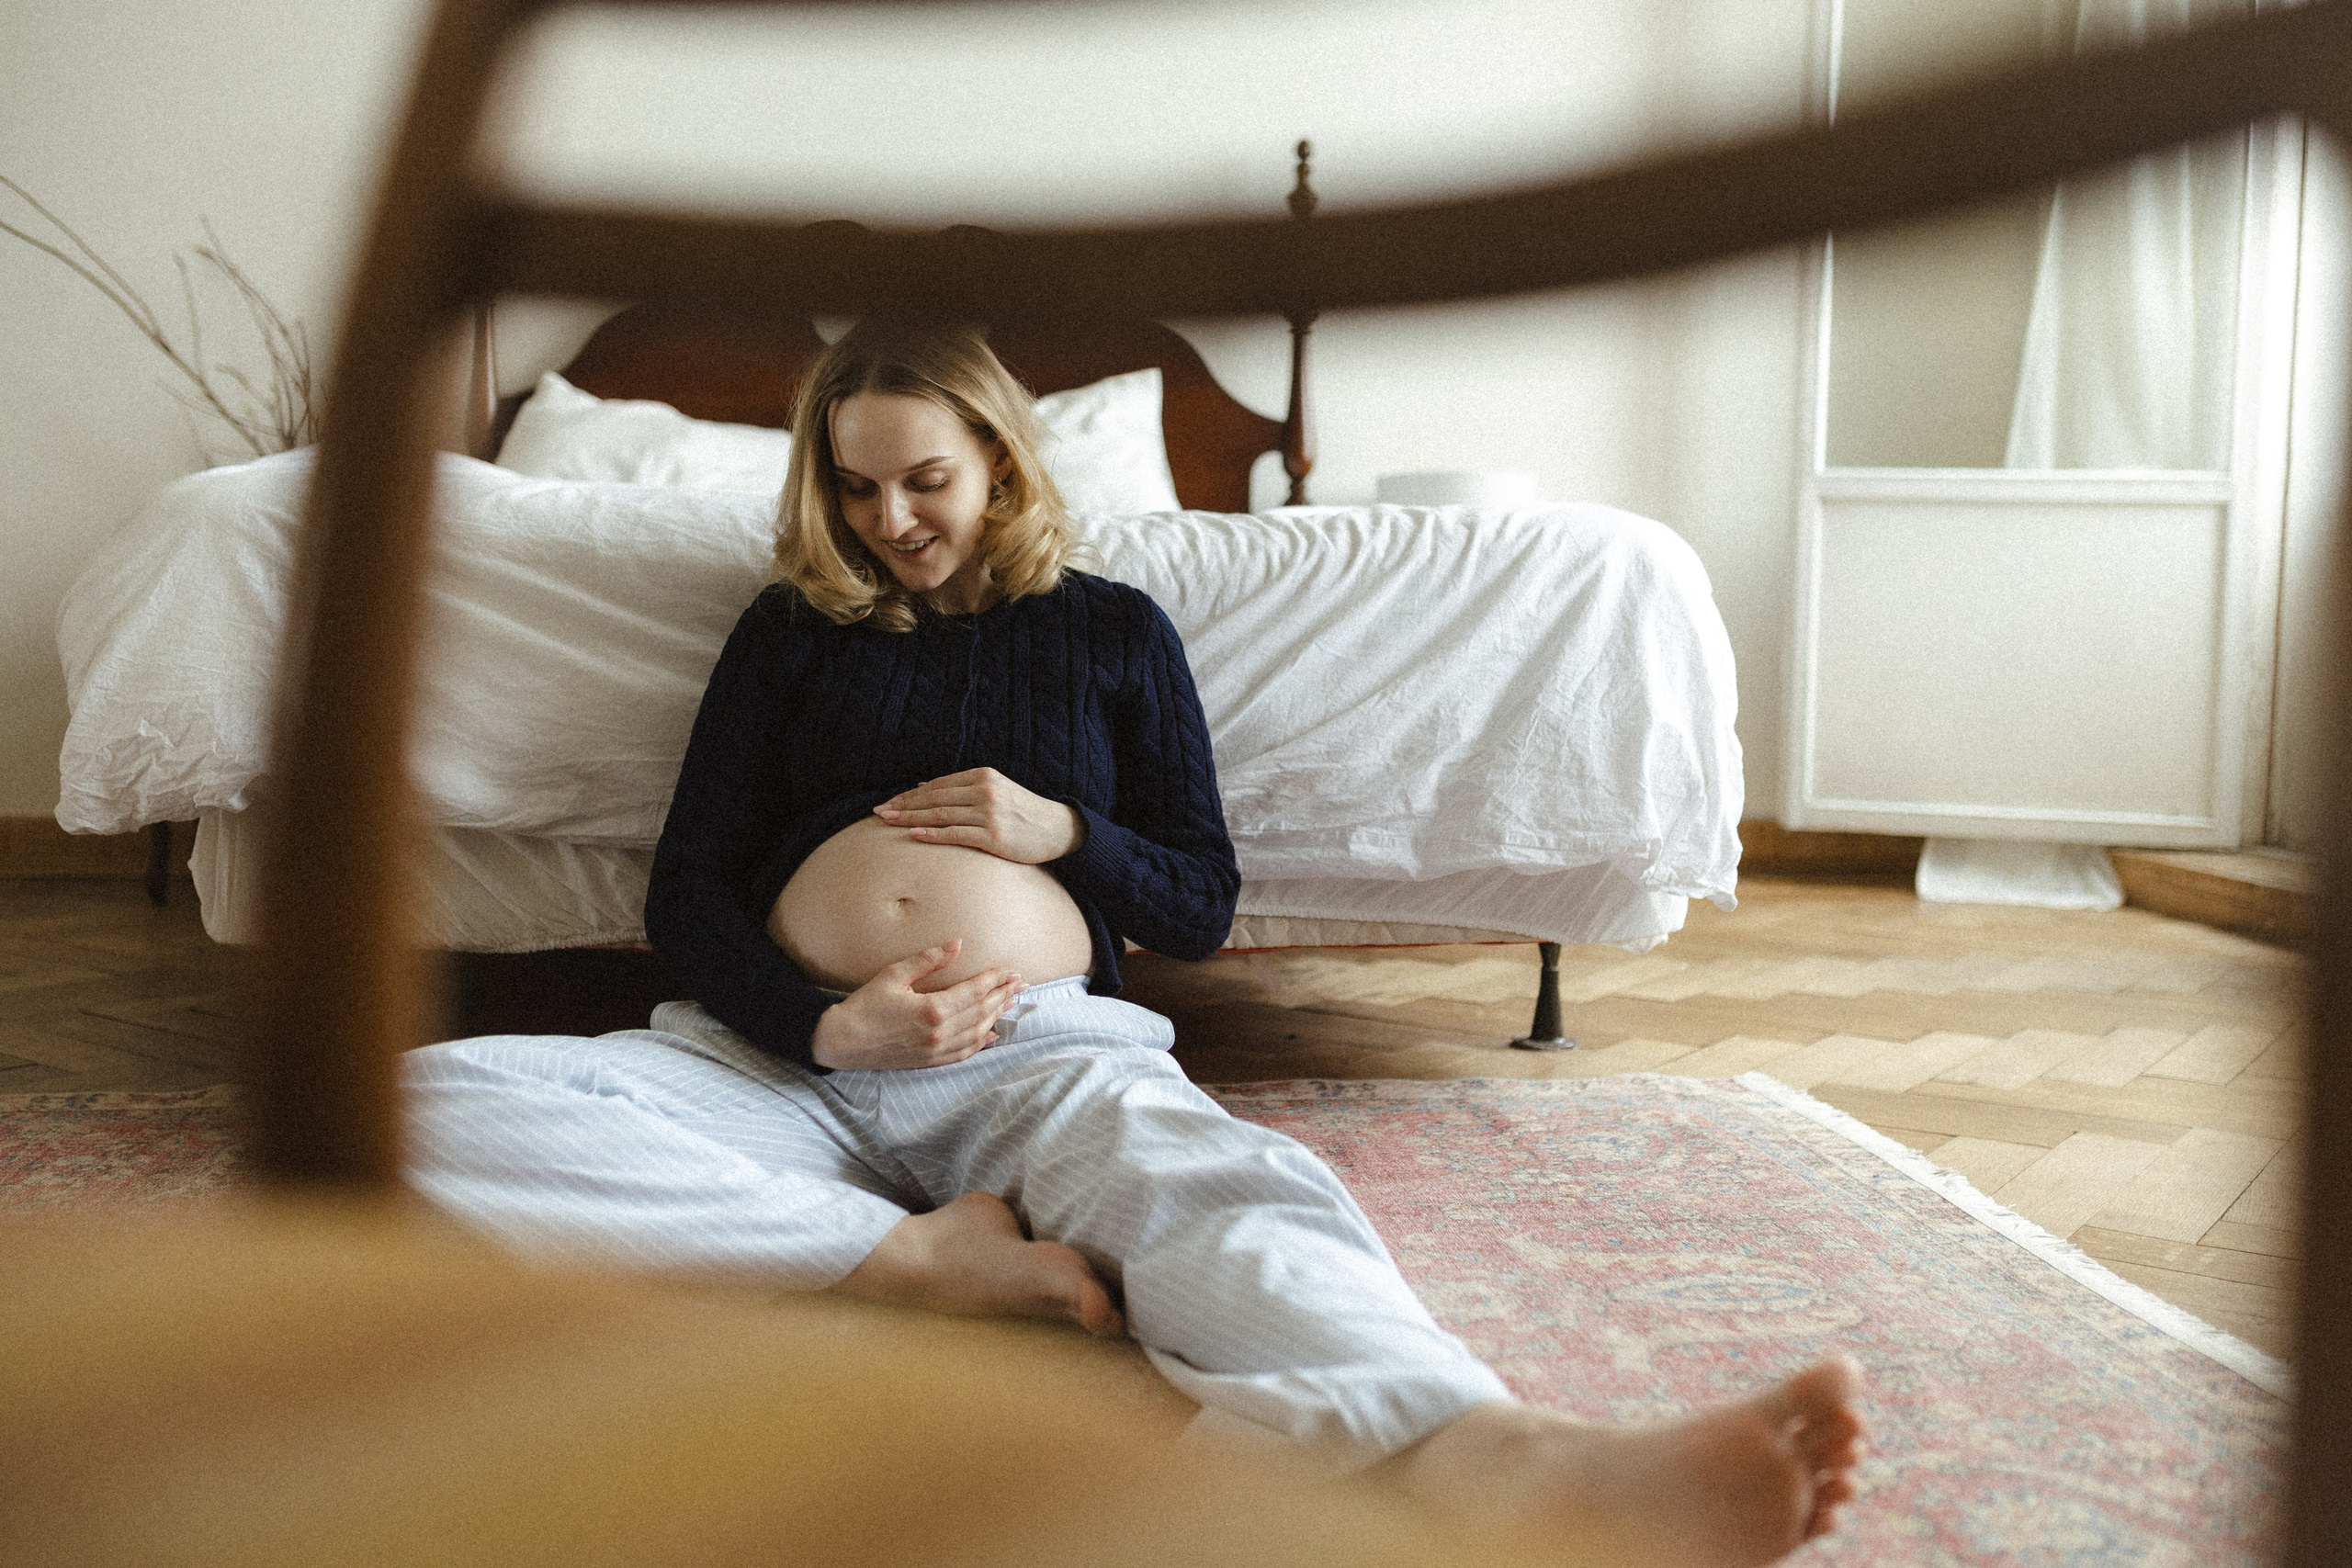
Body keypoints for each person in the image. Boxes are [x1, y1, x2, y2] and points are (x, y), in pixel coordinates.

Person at [401, 319, 1864, 1567]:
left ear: (1002, 465)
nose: (892, 522)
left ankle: (1498, 1453)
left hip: (1033, 1059)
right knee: (421, 1111)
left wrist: (1065, 837)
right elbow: (688, 891)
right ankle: (903, 1260)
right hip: (776, 1059)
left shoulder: (1113, 634)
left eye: (926, 481)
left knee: (1237, 1193)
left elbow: (1200, 900)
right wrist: (821, 1024)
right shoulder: (791, 633)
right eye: (854, 489)